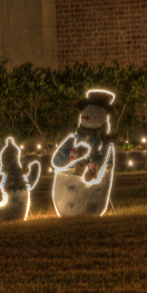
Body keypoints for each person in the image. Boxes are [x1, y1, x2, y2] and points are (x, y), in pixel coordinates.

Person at [51, 89, 117, 217]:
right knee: (58, 161)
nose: (88, 117)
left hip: (84, 176)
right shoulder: (75, 138)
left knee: (61, 161)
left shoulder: (103, 142)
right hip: (70, 173)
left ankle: (74, 156)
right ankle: (73, 156)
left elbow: (104, 157)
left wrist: (93, 168)